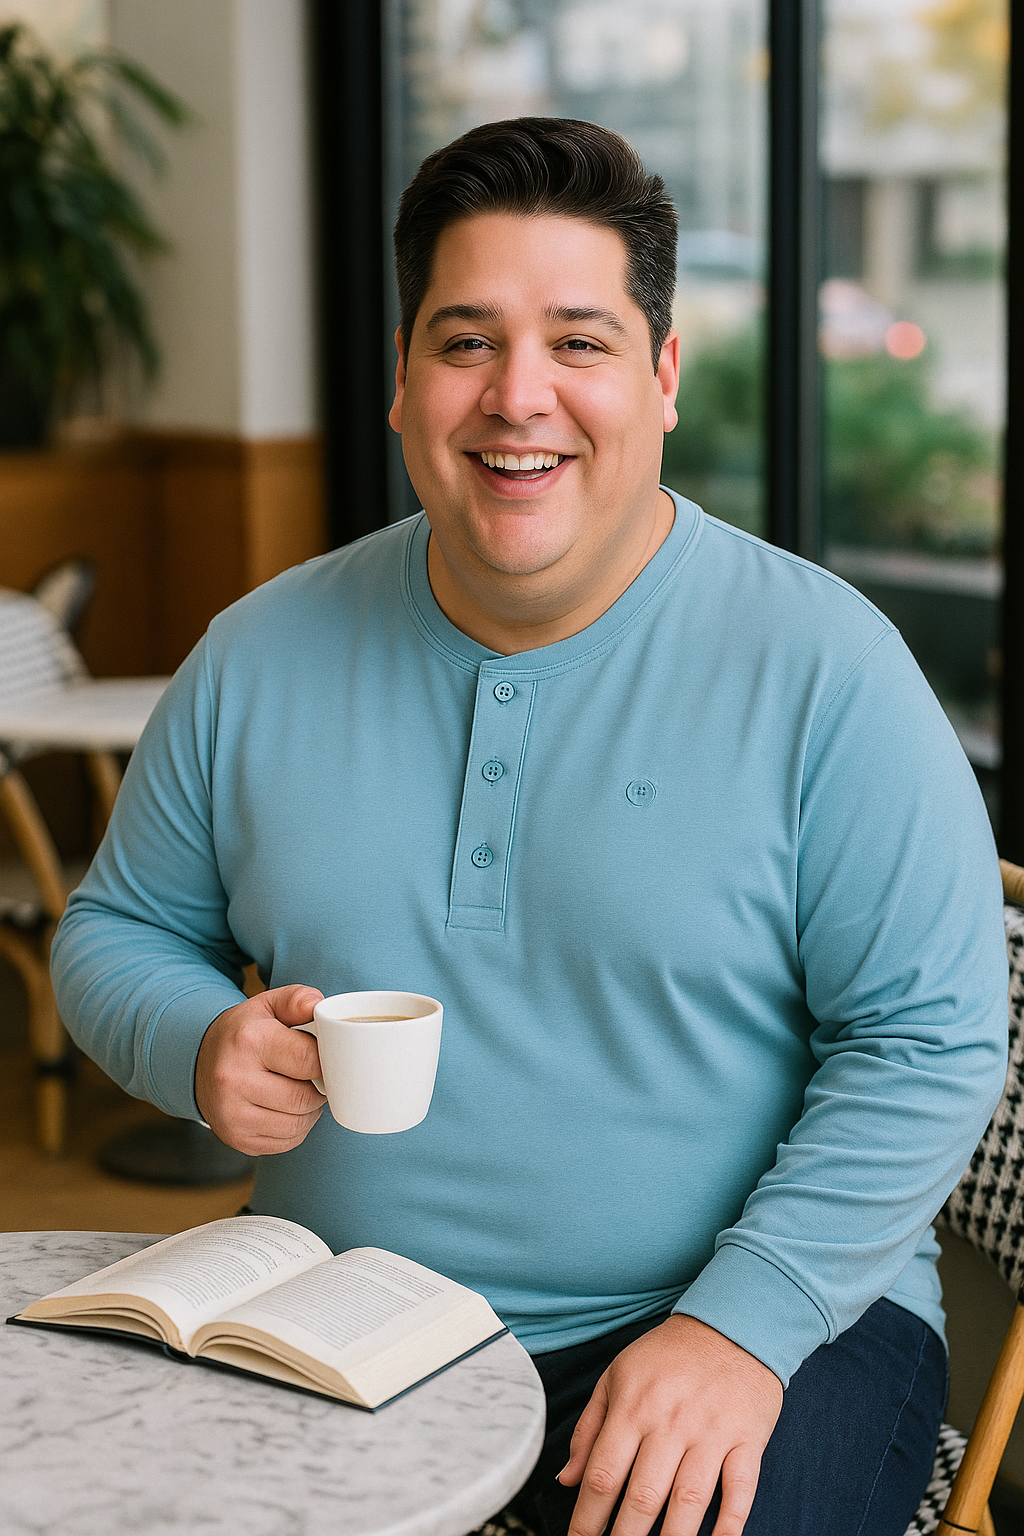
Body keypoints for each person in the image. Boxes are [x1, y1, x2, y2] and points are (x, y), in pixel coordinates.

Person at [52, 117, 1008, 1536]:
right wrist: (197, 1039)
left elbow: (931, 1042)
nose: (519, 399)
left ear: (663, 376)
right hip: (347, 1321)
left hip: (745, 1315)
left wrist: (740, 1331)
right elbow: (116, 932)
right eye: (464, 342)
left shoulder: (826, 668)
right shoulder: (256, 656)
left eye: (579, 341)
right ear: (401, 379)